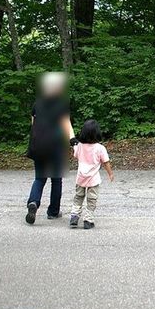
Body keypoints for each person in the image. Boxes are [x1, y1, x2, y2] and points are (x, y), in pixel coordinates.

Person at [25, 72, 76, 225]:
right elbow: (65, 123)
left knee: (39, 178)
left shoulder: (37, 103)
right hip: (55, 146)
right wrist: (73, 140)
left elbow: (33, 124)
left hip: (38, 145)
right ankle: (53, 212)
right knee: (56, 179)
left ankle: (33, 202)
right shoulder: (61, 104)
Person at [69, 119, 113, 230]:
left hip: (80, 178)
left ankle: (74, 216)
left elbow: (75, 154)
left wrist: (73, 141)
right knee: (92, 199)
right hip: (93, 179)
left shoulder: (79, 146)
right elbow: (106, 162)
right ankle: (88, 220)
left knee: (78, 197)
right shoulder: (100, 148)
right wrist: (110, 174)